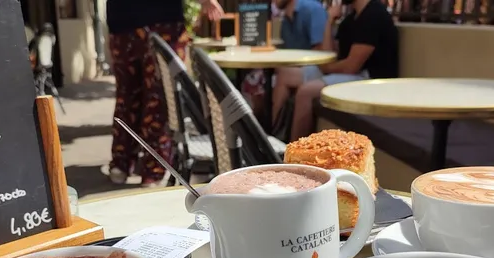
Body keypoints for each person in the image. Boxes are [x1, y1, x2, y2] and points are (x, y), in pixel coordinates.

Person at [106, 0, 224, 187]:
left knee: (130, 96)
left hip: (124, 20)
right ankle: (152, 168)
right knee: (157, 98)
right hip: (160, 21)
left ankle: (125, 162)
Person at [273, 0, 398, 141]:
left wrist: (327, 68)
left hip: (372, 81)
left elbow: (351, 66)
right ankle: (273, 137)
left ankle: (293, 156)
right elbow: (329, 55)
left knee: (306, 91)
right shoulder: (350, 20)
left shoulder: (374, 14)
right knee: (285, 74)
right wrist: (328, 21)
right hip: (350, 75)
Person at [241, 0, 328, 113]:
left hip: (319, 68)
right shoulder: (285, 20)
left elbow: (321, 52)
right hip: (297, 67)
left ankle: (273, 129)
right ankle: (252, 124)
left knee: (281, 75)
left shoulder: (313, 9)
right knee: (254, 79)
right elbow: (286, 53)